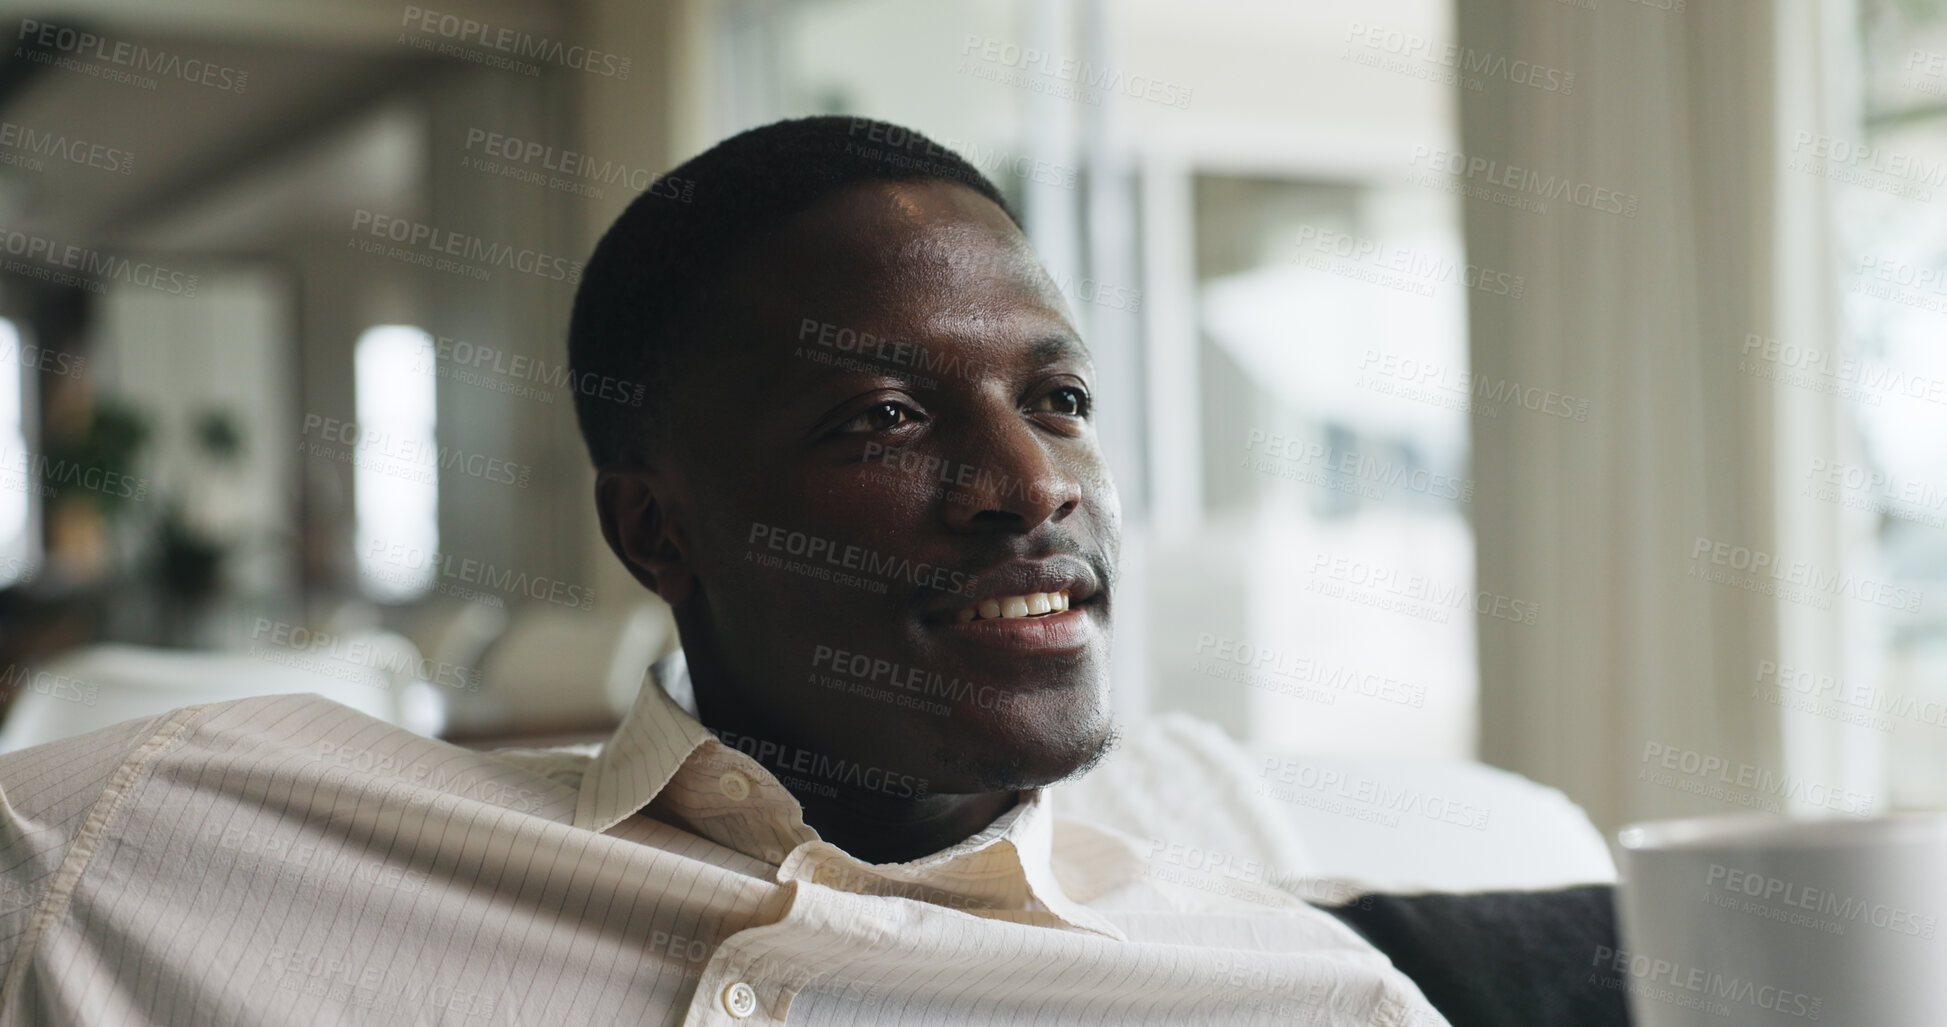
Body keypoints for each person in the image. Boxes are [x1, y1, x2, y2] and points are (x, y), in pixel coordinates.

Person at [0, 117, 1622, 1026]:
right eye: (886, 414)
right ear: (658, 531)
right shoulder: (163, 841)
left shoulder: (1297, 1003)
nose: (1030, 483)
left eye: (1058, 399)